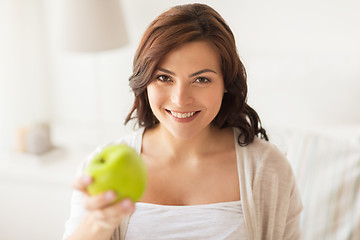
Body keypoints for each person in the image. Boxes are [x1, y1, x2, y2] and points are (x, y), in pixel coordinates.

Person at [63, 3, 303, 240]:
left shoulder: (267, 169)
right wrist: (98, 224)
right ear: (144, 81)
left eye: (201, 80)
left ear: (226, 84)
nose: (180, 99)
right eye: (164, 77)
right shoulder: (99, 166)